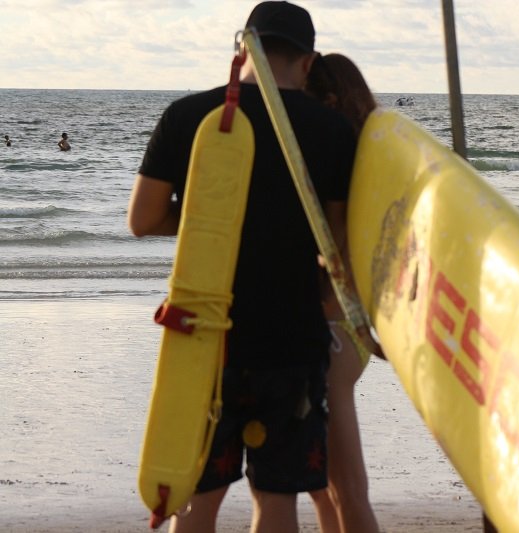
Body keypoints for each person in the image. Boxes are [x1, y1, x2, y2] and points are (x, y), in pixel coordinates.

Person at [128, 3, 364, 532]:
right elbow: (337, 243)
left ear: (241, 49)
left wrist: (215, 221)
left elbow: (142, 219)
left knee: (196, 497)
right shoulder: (331, 131)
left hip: (204, 341)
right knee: (276, 498)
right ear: (307, 63)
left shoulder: (188, 116)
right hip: (291, 342)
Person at [305, 52, 381, 533]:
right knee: (324, 488)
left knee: (345, 488)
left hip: (335, 326)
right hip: (347, 327)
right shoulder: (366, 157)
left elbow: (342, 250)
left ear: (327, 99)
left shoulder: (340, 160)